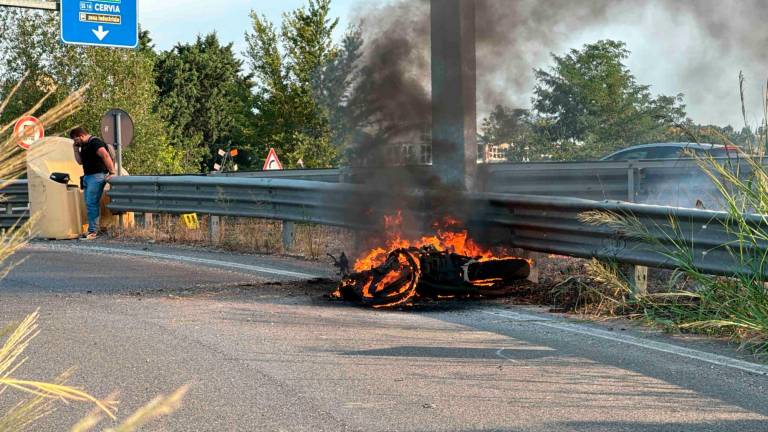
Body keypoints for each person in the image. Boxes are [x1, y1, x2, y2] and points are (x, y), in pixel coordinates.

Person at [70, 127, 116, 240]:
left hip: (97, 176)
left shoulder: (95, 142)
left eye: (75, 139)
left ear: (80, 135)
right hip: (87, 177)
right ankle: (93, 229)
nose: (74, 142)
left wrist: (112, 172)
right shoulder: (84, 146)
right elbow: (80, 162)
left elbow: (105, 155)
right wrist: (75, 149)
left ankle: (93, 232)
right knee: (89, 203)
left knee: (91, 203)